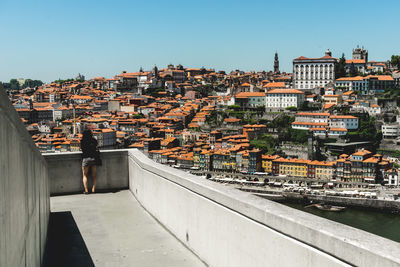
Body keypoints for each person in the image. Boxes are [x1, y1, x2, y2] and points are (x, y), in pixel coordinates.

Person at [80, 129, 100, 194]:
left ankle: (86, 190)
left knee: (85, 175)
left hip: (85, 159)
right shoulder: (94, 140)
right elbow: (96, 146)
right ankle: (93, 189)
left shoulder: (82, 141)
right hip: (93, 158)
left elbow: (82, 149)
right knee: (93, 175)